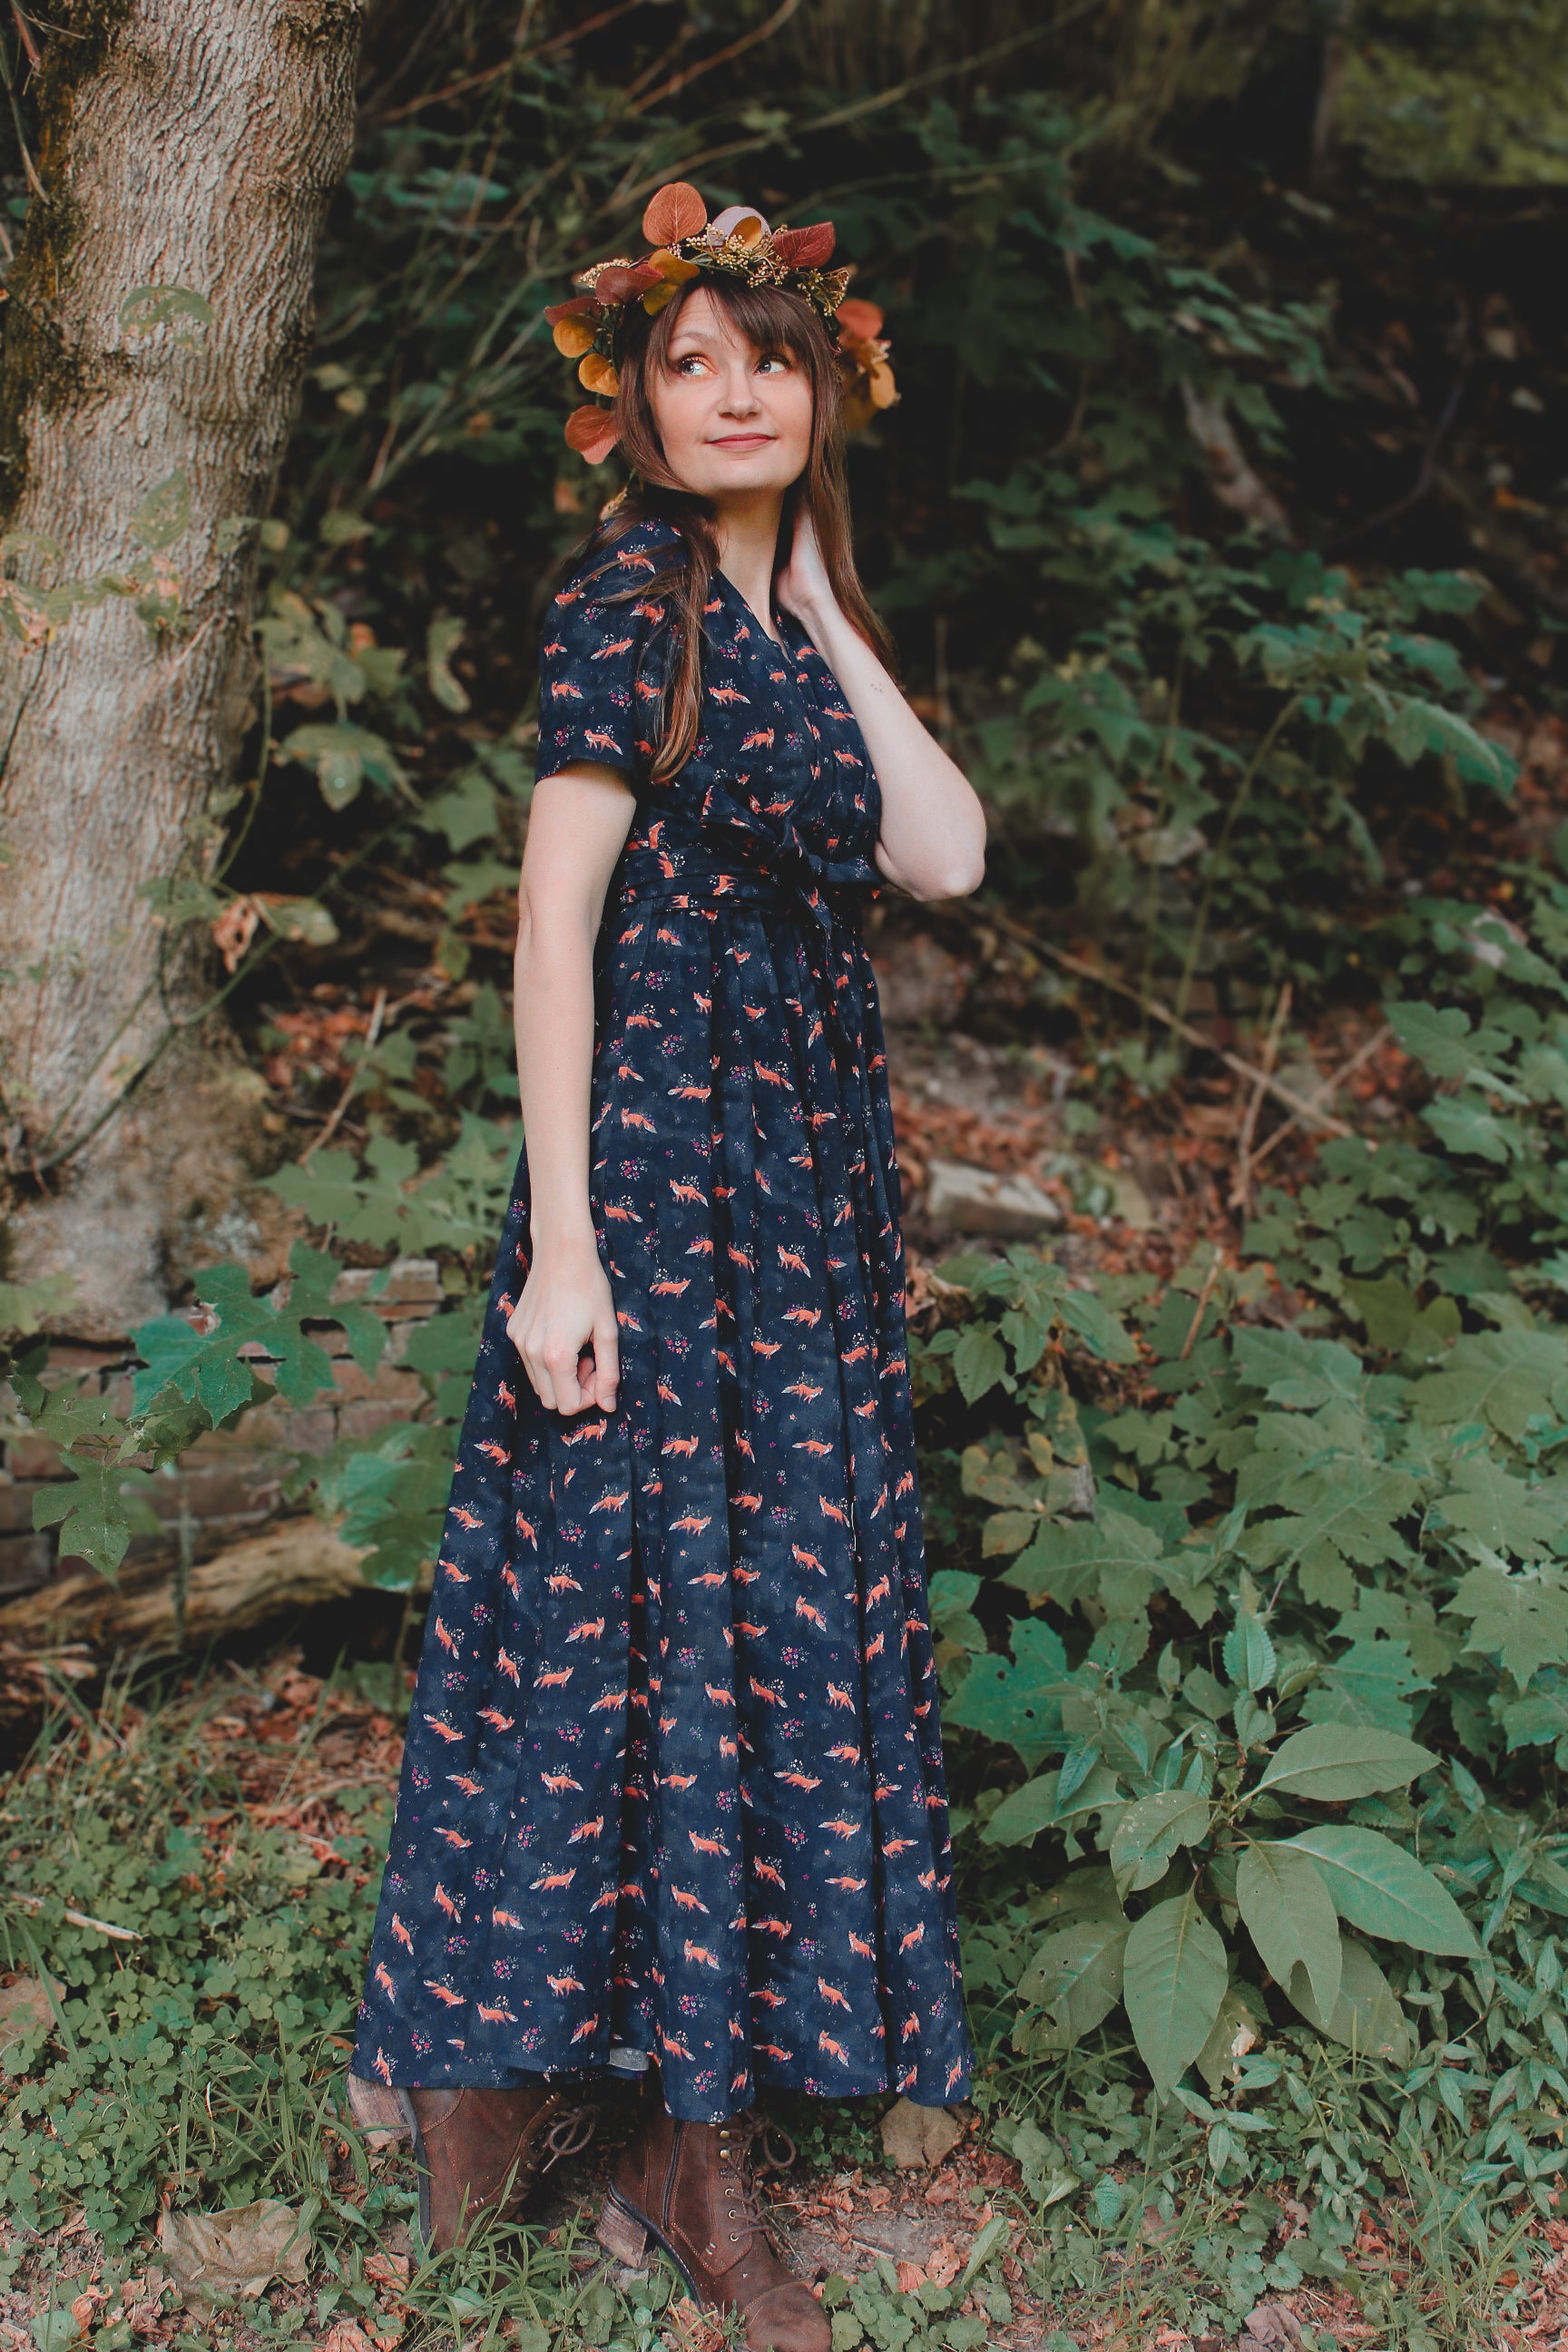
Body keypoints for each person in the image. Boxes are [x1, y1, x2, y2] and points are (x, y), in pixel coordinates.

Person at [349, 181, 988, 2352]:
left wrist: (819, 586)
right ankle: (679, 2161)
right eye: (693, 363)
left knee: (749, 1618)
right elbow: (549, 928)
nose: (733, 394)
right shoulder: (627, 598)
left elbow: (947, 848)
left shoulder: (788, 620)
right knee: (642, 1619)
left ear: (825, 392)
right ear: (633, 400)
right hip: (656, 1169)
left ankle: (645, 2118)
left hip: (800, 1188)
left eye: (770, 363)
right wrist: (559, 1245)